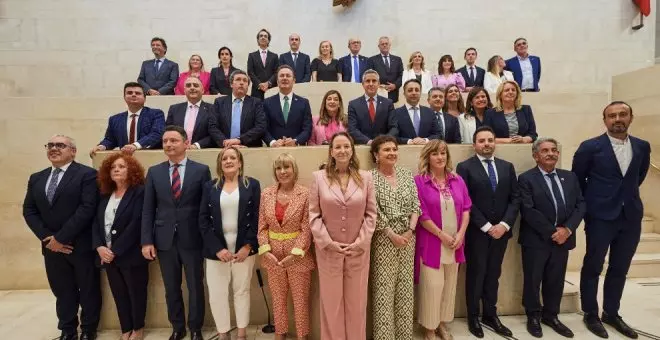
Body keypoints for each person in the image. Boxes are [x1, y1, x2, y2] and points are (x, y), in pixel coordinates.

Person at [572, 101, 651, 339]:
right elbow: (578, 182)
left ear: (631, 118)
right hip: (600, 217)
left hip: (630, 217)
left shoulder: (642, 147)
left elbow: (638, 176)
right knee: (593, 265)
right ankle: (590, 313)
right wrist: (592, 208)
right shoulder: (589, 147)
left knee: (620, 268)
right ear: (604, 120)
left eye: (622, 114)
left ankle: (612, 313)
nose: (618, 119)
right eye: (612, 115)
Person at [23, 135, 100, 340]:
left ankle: (88, 330)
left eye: (60, 145)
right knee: (62, 291)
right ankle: (67, 330)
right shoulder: (36, 177)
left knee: (88, 289)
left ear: (73, 151)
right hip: (51, 248)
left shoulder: (88, 175)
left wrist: (62, 238)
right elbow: (29, 211)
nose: (54, 149)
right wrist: (49, 239)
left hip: (80, 245)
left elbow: (87, 209)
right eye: (50, 145)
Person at [141, 125, 211, 340]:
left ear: (186, 143)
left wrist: (207, 238)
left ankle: (196, 328)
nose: (169, 145)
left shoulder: (201, 170)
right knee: (171, 287)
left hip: (193, 238)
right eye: (165, 141)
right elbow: (147, 209)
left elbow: (206, 207)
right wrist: (146, 241)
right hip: (164, 240)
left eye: (174, 140)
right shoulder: (154, 172)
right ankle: (177, 327)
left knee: (195, 286)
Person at [309, 132, 377, 340]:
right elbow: (314, 214)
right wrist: (328, 243)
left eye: (346, 146)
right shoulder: (318, 178)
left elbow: (371, 214)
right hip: (329, 251)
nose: (342, 150)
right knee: (331, 305)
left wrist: (361, 242)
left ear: (352, 149)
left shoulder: (366, 178)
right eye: (337, 147)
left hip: (358, 251)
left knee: (357, 304)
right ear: (331, 151)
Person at [456, 126, 520, 339]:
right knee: (476, 274)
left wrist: (504, 225)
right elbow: (465, 201)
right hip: (477, 231)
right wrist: (485, 226)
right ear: (474, 145)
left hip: (502, 232)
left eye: (490, 140)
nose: (486, 144)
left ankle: (490, 314)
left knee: (494, 273)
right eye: (481, 141)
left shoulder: (507, 167)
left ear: (495, 143)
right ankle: (473, 316)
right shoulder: (464, 167)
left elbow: (515, 199)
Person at [518, 138, 585, 338]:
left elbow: (580, 205)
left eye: (554, 150)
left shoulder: (570, 177)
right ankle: (533, 316)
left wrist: (568, 229)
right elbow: (528, 210)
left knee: (555, 280)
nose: (551, 154)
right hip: (536, 240)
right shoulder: (526, 179)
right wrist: (553, 232)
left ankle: (551, 315)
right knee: (533, 279)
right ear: (535, 155)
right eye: (545, 150)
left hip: (563, 240)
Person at [199, 147, 260, 340]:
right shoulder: (210, 187)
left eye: (233, 157)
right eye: (224, 158)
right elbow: (203, 220)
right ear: (220, 164)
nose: (228, 161)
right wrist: (217, 249)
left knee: (241, 291)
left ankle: (242, 333)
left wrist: (248, 246)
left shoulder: (252, 185)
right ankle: (223, 333)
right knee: (217, 294)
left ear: (240, 162)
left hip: (243, 249)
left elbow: (259, 217)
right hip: (216, 251)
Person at [415, 139, 472, 340]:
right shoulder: (420, 181)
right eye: (435, 153)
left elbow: (466, 209)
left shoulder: (457, 180)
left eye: (443, 153)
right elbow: (421, 215)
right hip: (432, 243)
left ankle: (441, 324)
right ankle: (429, 327)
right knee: (433, 286)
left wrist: (461, 234)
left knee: (449, 286)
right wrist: (442, 235)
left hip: (455, 244)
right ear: (427, 157)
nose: (440, 157)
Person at [257, 153, 314, 340]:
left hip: (298, 258)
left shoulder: (305, 193)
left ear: (294, 169)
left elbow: (306, 227)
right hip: (273, 258)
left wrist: (296, 253)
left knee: (300, 301)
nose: (283, 172)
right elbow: (262, 226)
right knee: (278, 300)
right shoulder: (266, 193)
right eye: (279, 168)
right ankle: (280, 334)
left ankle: (302, 335)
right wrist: (266, 251)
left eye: (286, 167)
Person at [92, 153, 148, 340]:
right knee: (119, 294)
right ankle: (126, 329)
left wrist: (115, 251)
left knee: (136, 293)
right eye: (113, 167)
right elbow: (96, 223)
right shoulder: (105, 194)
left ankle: (138, 329)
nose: (116, 169)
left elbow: (137, 223)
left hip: (130, 254)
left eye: (122, 166)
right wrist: (100, 247)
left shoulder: (139, 192)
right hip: (106, 255)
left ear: (131, 170)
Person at [369, 135, 420, 340]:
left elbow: (416, 205)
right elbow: (373, 211)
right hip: (383, 240)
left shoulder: (407, 175)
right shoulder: (369, 178)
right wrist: (391, 234)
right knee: (384, 291)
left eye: (394, 149)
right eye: (386, 150)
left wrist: (410, 231)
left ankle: (404, 336)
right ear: (376, 155)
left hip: (408, 238)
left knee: (405, 290)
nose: (391, 153)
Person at [90, 82, 165, 156]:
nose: (133, 95)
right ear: (124, 97)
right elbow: (110, 140)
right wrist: (101, 147)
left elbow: (156, 134)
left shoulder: (156, 114)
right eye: (129, 93)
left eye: (138, 93)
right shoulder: (115, 119)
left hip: (149, 158)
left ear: (145, 98)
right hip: (125, 161)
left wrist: (135, 145)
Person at [213, 70, 267, 147]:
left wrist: (239, 140)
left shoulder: (256, 103)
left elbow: (260, 126)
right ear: (231, 84)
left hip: (249, 148)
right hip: (224, 149)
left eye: (245, 81)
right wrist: (226, 143)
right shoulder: (219, 102)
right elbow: (213, 126)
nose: (241, 83)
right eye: (238, 79)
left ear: (248, 86)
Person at [262, 65, 313, 147]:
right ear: (277, 81)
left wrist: (296, 141)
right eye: (281, 76)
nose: (284, 78)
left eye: (288, 76)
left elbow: (307, 129)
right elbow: (263, 128)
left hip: (297, 150)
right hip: (274, 151)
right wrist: (273, 142)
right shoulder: (267, 103)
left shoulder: (304, 103)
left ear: (294, 81)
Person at [166, 76, 221, 149]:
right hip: (177, 151)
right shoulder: (174, 109)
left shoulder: (212, 109)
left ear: (202, 90)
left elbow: (215, 133)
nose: (192, 88)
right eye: (188, 85)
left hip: (202, 151)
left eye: (196, 85)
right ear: (184, 90)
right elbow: (168, 131)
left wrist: (197, 145)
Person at [347, 69, 397, 145]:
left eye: (374, 81)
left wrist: (384, 141)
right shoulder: (353, 104)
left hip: (384, 146)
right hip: (362, 146)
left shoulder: (388, 103)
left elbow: (394, 128)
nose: (371, 84)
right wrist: (368, 141)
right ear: (363, 84)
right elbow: (352, 129)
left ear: (378, 84)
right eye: (367, 81)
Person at [394, 79, 441, 145]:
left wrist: (425, 140)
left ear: (420, 93)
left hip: (427, 151)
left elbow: (438, 134)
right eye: (410, 90)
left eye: (417, 90)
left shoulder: (430, 112)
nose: (414, 93)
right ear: (404, 93)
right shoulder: (395, 113)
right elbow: (393, 136)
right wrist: (408, 141)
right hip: (405, 152)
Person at [367, 36, 404, 103]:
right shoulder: (372, 60)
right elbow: (369, 76)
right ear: (379, 46)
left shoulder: (397, 59)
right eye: (382, 44)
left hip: (393, 95)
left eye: (386, 44)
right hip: (377, 93)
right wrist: (378, 85)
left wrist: (395, 85)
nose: (384, 45)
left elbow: (401, 76)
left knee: (392, 113)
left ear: (389, 45)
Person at [247, 29, 279, 99]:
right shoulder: (252, 56)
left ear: (268, 40)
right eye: (261, 36)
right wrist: (259, 84)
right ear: (258, 40)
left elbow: (276, 72)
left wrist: (268, 83)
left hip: (271, 89)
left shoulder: (274, 56)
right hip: (256, 90)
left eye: (265, 36)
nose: (263, 37)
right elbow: (250, 72)